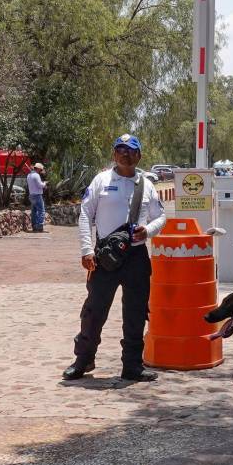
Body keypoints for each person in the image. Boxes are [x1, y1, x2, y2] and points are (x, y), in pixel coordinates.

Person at [62, 134, 167, 382]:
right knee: (94, 311)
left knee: (136, 312)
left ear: (138, 155)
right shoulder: (101, 181)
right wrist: (87, 250)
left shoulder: (147, 185)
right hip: (104, 257)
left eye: (130, 150)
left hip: (136, 257)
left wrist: (148, 231)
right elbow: (86, 214)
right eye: (120, 150)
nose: (125, 154)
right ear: (114, 155)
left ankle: (132, 366)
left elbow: (160, 217)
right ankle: (83, 360)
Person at [27, 162, 47, 232]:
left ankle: (34, 226)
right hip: (37, 195)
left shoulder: (29, 175)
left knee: (34, 211)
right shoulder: (36, 175)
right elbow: (40, 185)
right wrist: (44, 183)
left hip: (31, 195)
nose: (41, 171)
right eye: (41, 170)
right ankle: (39, 226)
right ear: (38, 169)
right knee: (41, 211)